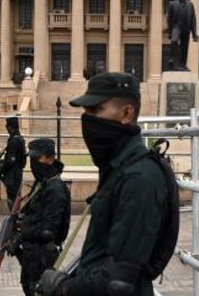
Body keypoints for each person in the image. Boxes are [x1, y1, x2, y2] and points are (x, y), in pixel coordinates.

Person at [37, 72, 169, 296]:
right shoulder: (120, 167)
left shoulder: (138, 178)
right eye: (86, 111)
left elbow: (117, 282)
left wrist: (64, 288)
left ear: (126, 113)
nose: (88, 119)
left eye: (95, 110)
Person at [9, 138, 71, 296]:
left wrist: (22, 237)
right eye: (31, 158)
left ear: (50, 158)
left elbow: (48, 230)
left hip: (43, 256)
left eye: (37, 158)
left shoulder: (55, 187)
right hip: (32, 254)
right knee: (27, 288)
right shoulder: (42, 183)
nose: (33, 163)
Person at [167, 0, 198, 70]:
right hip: (176, 27)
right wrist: (170, 32)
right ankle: (172, 60)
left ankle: (183, 64)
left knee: (184, 47)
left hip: (186, 28)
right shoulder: (172, 4)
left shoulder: (190, 5)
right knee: (174, 41)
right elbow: (169, 19)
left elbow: (193, 19)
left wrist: (194, 33)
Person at [0, 116, 27, 210]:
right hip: (17, 171)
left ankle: (14, 218)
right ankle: (14, 217)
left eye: (8, 127)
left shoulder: (14, 141)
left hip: (13, 173)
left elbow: (11, 160)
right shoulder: (19, 138)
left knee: (12, 198)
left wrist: (0, 171)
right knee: (16, 196)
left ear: (10, 127)